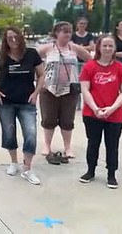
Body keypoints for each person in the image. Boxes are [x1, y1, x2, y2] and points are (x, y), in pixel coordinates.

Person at [0, 26, 45, 185]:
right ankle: (13, 162)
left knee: (30, 133)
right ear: (5, 40)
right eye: (9, 38)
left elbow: (41, 75)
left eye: (15, 37)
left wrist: (36, 93)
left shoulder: (31, 54)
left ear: (21, 37)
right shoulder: (1, 56)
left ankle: (27, 168)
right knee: (8, 132)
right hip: (5, 100)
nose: (13, 40)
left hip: (26, 101)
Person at [79, 35, 122, 189]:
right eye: (104, 46)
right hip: (92, 113)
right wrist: (95, 109)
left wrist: (112, 108)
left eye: (110, 46)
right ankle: (90, 171)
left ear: (114, 48)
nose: (107, 49)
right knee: (93, 143)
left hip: (114, 114)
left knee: (112, 145)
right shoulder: (89, 67)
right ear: (99, 48)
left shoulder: (121, 68)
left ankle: (111, 174)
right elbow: (85, 90)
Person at [37, 21, 92, 164]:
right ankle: (47, 145)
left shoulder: (75, 48)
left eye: (69, 31)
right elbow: (31, 58)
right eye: (64, 31)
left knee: (67, 120)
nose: (67, 34)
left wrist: (84, 77)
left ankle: (67, 147)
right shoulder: (47, 48)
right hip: (49, 88)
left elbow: (91, 60)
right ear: (56, 33)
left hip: (70, 89)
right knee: (48, 118)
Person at [71, 16, 95, 110]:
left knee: (86, 83)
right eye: (81, 23)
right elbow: (71, 47)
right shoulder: (73, 35)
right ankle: (77, 104)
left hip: (86, 61)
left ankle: (88, 103)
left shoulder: (89, 36)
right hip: (75, 61)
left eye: (84, 24)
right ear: (77, 25)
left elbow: (92, 47)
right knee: (76, 83)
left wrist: (80, 48)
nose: (82, 26)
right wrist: (84, 48)